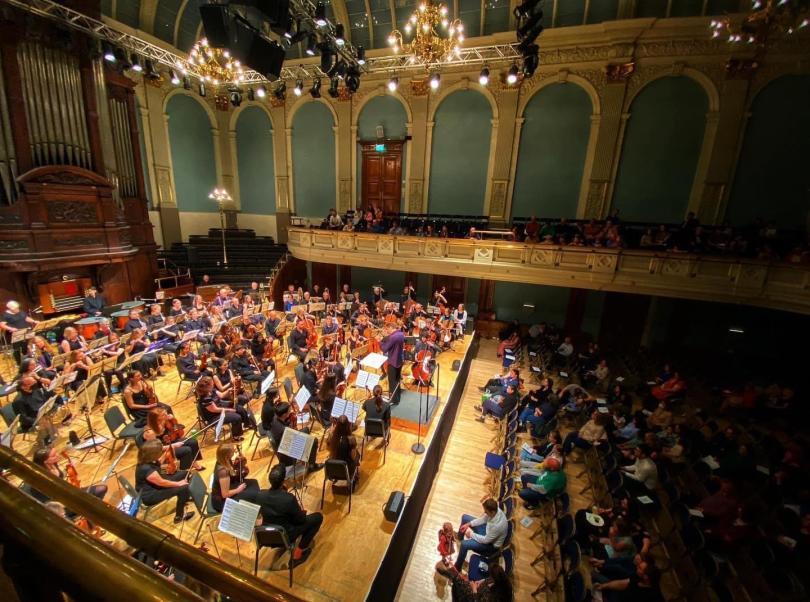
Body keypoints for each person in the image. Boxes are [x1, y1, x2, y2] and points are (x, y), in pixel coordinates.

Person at [263, 465, 324, 565]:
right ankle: (298, 554)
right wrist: (303, 513)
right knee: (317, 517)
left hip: (267, 536)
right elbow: (300, 520)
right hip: (286, 535)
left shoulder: (260, 495)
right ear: (284, 481)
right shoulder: (289, 499)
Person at [135, 440, 195, 523]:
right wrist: (178, 483)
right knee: (183, 488)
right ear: (153, 454)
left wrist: (169, 450)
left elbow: (158, 463)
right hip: (151, 495)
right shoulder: (147, 469)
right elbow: (162, 482)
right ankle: (179, 516)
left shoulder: (147, 460)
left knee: (185, 474)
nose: (161, 452)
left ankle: (184, 498)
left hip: (156, 487)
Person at [138, 407, 203, 472]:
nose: (166, 415)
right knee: (186, 450)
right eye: (163, 415)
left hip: (170, 443)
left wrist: (173, 420)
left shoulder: (165, 421)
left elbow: (176, 431)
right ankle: (184, 471)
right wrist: (174, 445)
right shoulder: (150, 432)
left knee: (192, 442)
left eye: (165, 413)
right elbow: (155, 449)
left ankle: (194, 462)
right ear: (157, 419)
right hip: (160, 452)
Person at [455, 498, 508, 571]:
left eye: (486, 512)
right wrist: (469, 524)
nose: (485, 513)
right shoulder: (496, 510)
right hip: (488, 531)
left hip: (491, 546)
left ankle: (457, 568)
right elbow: (483, 519)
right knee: (465, 517)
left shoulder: (497, 526)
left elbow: (486, 540)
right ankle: (459, 537)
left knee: (464, 544)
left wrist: (471, 534)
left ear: (492, 512)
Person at [210, 443, 261, 512]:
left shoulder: (223, 460)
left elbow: (231, 472)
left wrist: (237, 462)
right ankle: (252, 513)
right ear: (227, 456)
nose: (235, 451)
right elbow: (225, 494)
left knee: (254, 482)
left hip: (229, 487)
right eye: (233, 451)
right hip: (222, 502)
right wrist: (238, 490)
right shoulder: (223, 472)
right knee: (254, 494)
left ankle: (254, 508)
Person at [328, 415, 359, 485]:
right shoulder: (351, 439)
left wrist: (331, 431)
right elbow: (353, 457)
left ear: (337, 426)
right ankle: (354, 476)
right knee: (357, 455)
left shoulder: (332, 438)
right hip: (346, 471)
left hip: (333, 470)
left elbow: (329, 451)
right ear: (348, 426)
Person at [380, 324, 404, 405]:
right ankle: (398, 395)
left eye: (388, 329)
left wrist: (380, 341)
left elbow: (384, 349)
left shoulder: (393, 337)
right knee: (397, 379)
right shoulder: (401, 334)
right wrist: (386, 337)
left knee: (392, 381)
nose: (388, 331)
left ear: (392, 327)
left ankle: (394, 400)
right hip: (399, 361)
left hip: (392, 362)